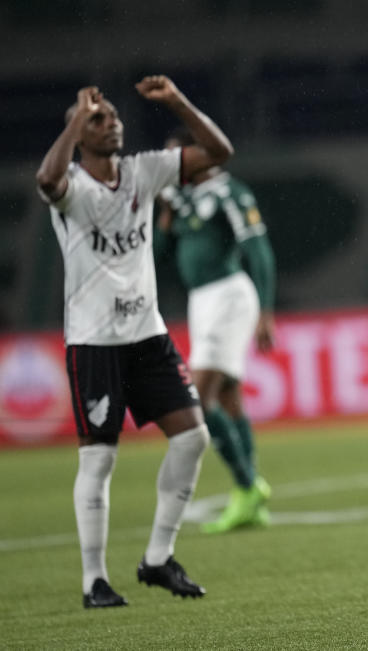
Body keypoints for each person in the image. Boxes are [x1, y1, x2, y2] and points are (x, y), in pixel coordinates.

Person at [36, 76, 234, 608]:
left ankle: (156, 559)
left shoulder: (145, 170)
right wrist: (77, 118)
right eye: (100, 119)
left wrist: (176, 103)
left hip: (147, 334)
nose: (113, 122)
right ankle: (94, 580)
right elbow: (46, 179)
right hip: (94, 342)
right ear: (79, 133)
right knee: (99, 460)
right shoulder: (73, 188)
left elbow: (220, 151)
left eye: (114, 116)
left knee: (193, 437)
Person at [155, 127, 275, 533]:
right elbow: (159, 256)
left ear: (197, 156)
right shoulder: (179, 200)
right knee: (229, 399)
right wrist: (164, 218)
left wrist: (266, 309)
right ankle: (251, 500)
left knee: (197, 401)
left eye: (178, 158)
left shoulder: (230, 193)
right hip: (200, 302)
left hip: (229, 296)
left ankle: (246, 485)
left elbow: (258, 250)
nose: (173, 167)